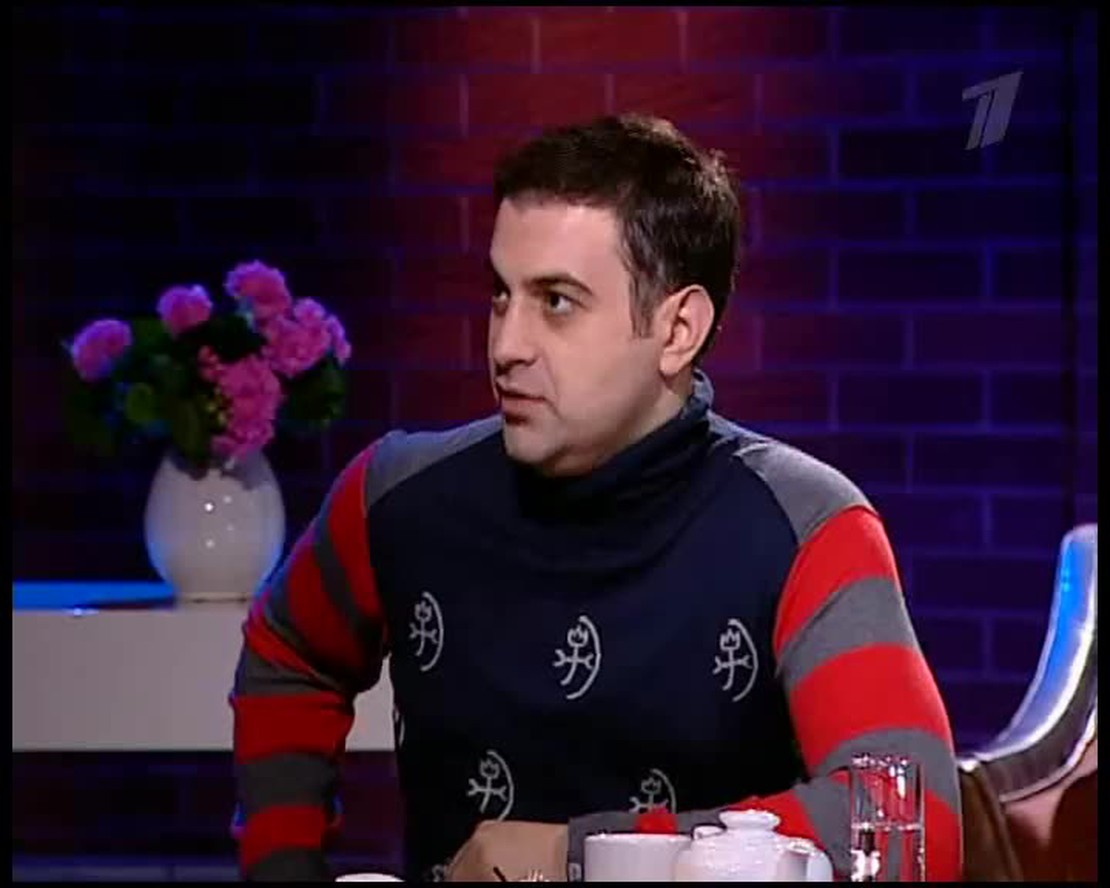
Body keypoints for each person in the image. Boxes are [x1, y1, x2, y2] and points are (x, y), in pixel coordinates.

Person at [229, 114, 963, 882]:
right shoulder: (396, 497)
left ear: (678, 330)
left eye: (556, 302)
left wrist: (577, 852)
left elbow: (913, 828)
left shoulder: (807, 527)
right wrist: (282, 868)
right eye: (501, 295)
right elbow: (288, 656)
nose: (506, 345)